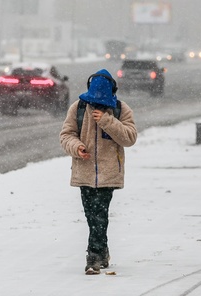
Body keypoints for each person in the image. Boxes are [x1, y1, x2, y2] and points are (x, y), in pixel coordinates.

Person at [59, 69, 137, 275]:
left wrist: (107, 120)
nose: (97, 105)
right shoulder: (78, 108)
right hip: (84, 172)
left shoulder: (121, 110)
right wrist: (77, 147)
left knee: (99, 214)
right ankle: (102, 250)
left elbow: (129, 138)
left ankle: (93, 257)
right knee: (90, 214)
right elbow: (66, 135)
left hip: (109, 173)